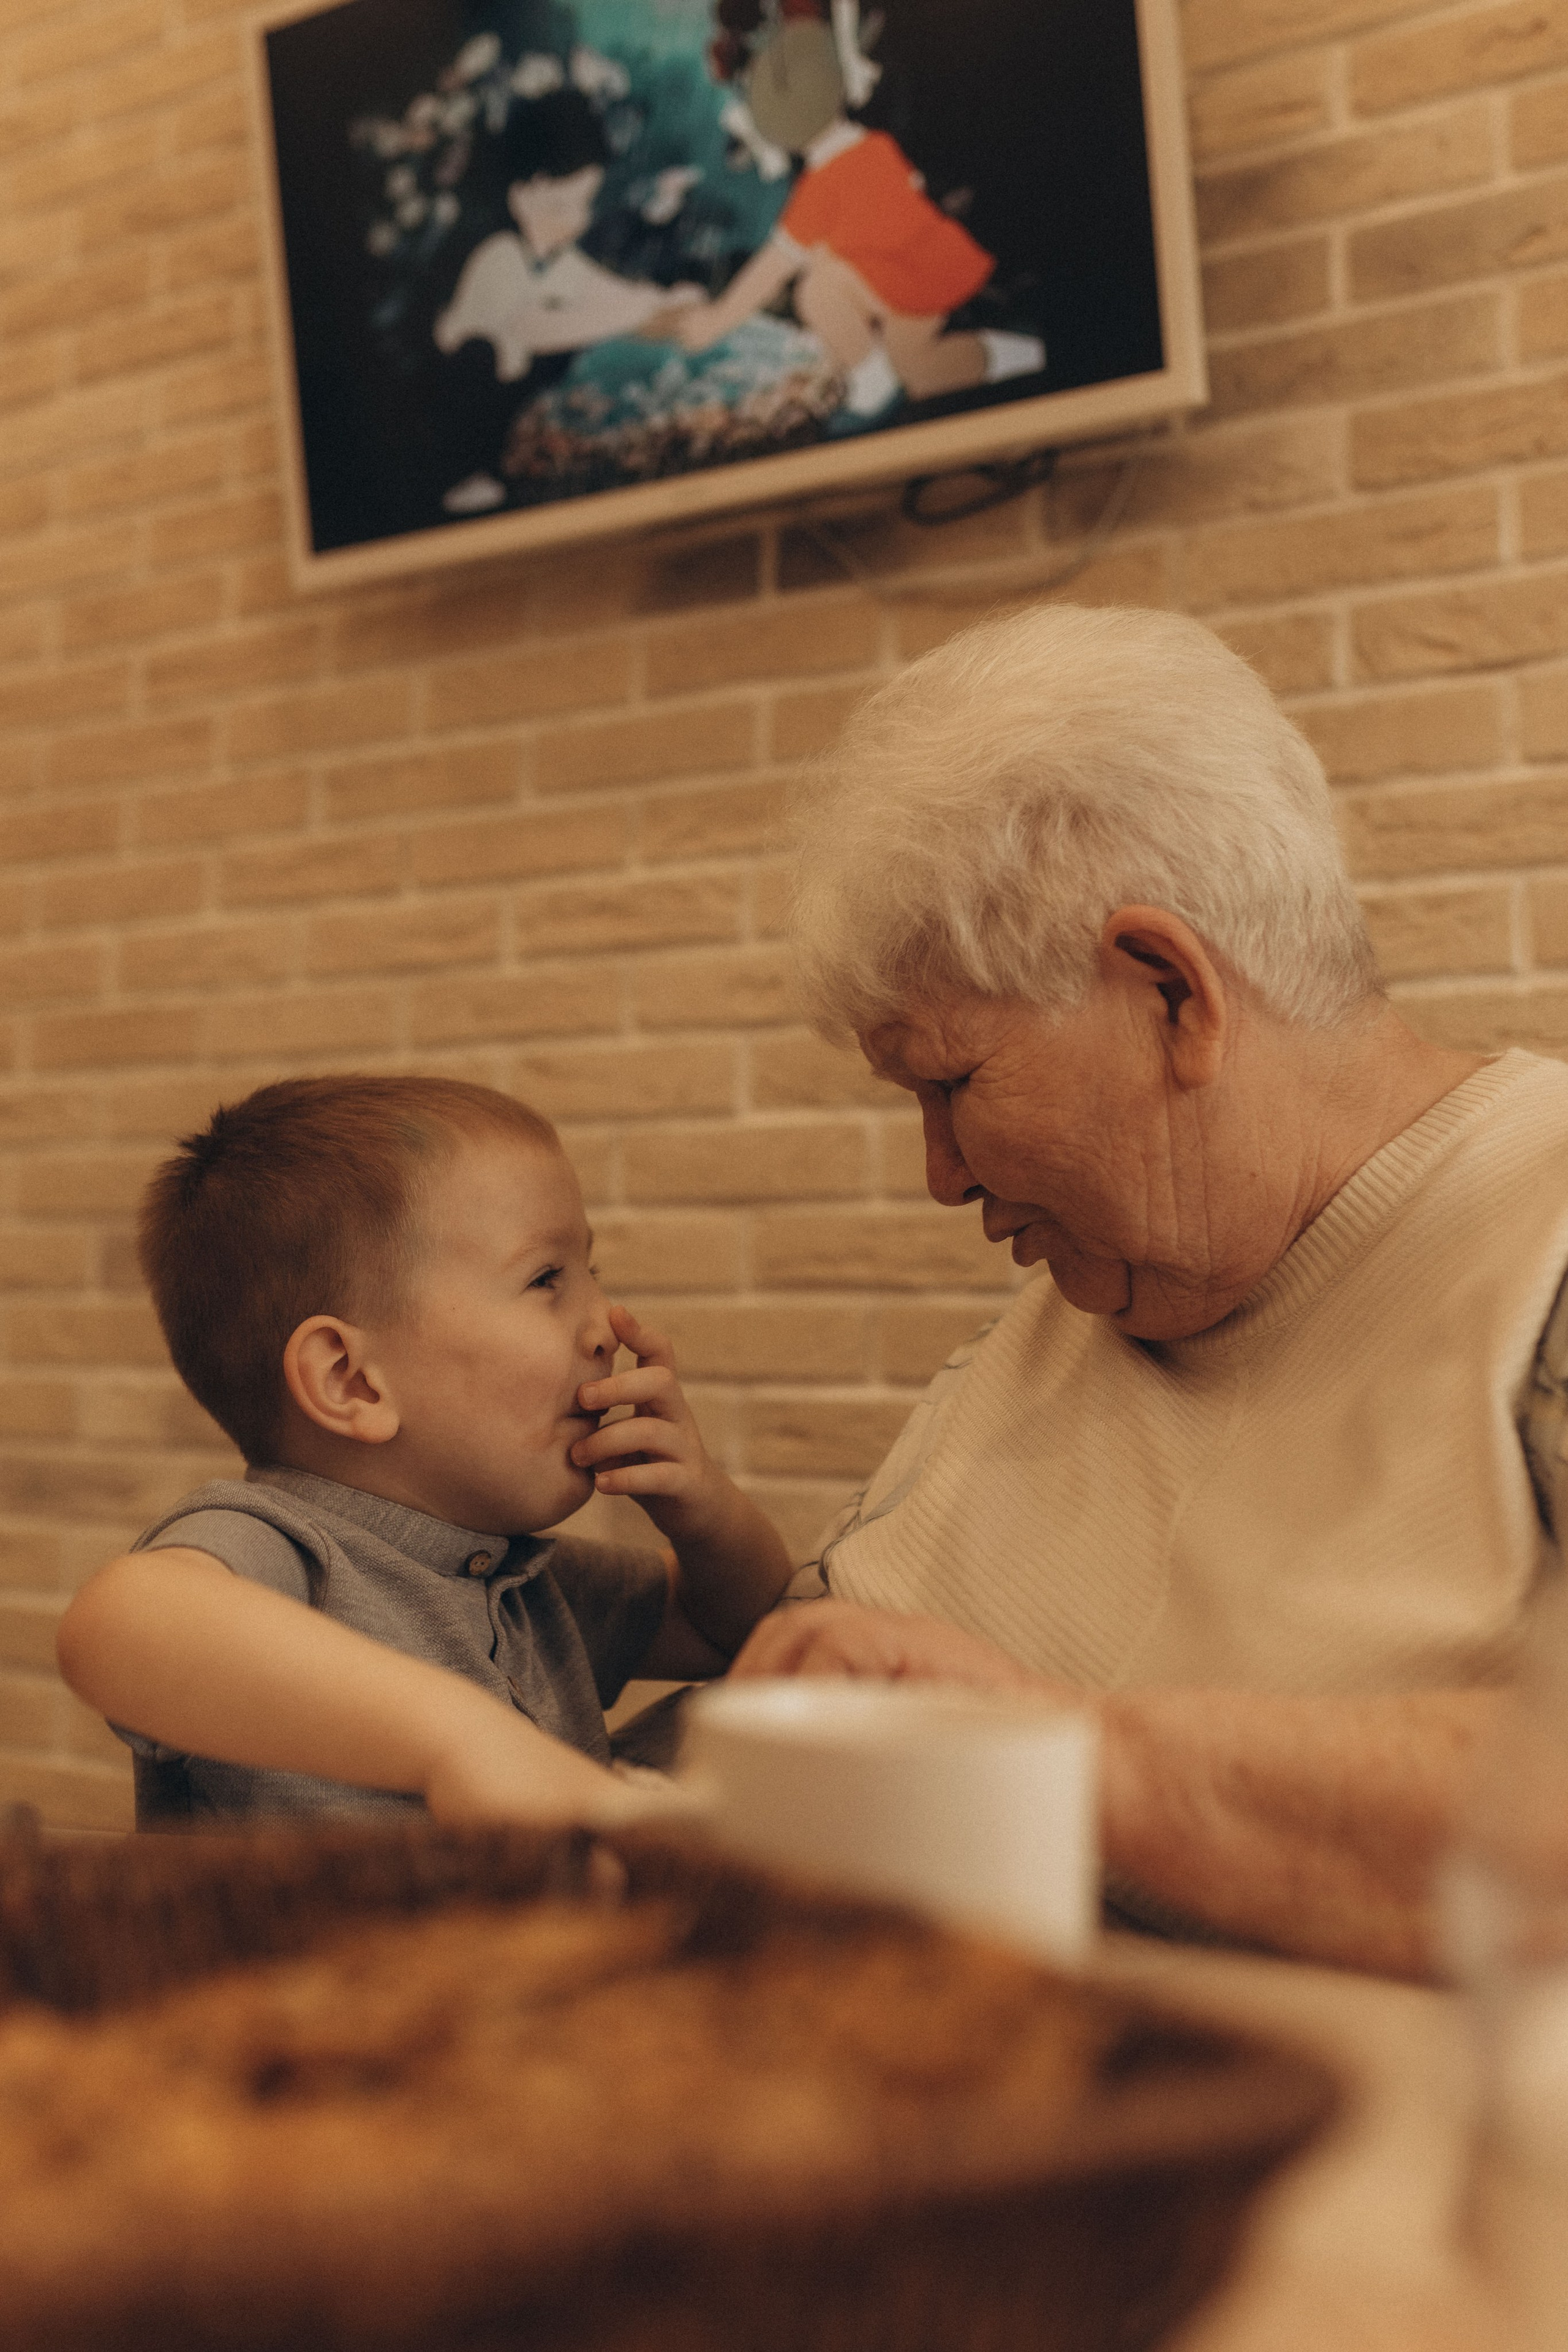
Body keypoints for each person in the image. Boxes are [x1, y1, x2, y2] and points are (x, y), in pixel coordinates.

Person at [729, 601, 1568, 1979]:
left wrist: (1067, 1757)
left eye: (951, 1082)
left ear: (1170, 990)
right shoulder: (1084, 1298)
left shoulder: (1540, 1228)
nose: (940, 1175)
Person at [56, 1076, 791, 1827]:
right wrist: (461, 1743)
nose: (606, 1323)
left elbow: (744, 1631)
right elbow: (120, 1625)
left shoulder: (527, 1582)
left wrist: (707, 1513)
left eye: (590, 1274)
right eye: (546, 1279)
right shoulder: (286, 1549)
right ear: (351, 1381)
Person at [679, 17, 1043, 421]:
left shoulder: (822, 187)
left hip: (912, 278)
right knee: (829, 282)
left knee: (894, 352)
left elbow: (772, 268)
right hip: (918, 263)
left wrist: (714, 323)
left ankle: (1003, 357)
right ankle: (887, 374)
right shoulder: (875, 144)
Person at [431, 86, 704, 514]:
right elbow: (533, 327)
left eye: (584, 206)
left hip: (520, 408)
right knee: (486, 357)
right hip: (465, 419)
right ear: (522, 195)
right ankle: (470, 476)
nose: (576, 222)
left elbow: (606, 289)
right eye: (562, 207)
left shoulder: (557, 259)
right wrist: (628, 313)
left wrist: (662, 300)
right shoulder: (497, 255)